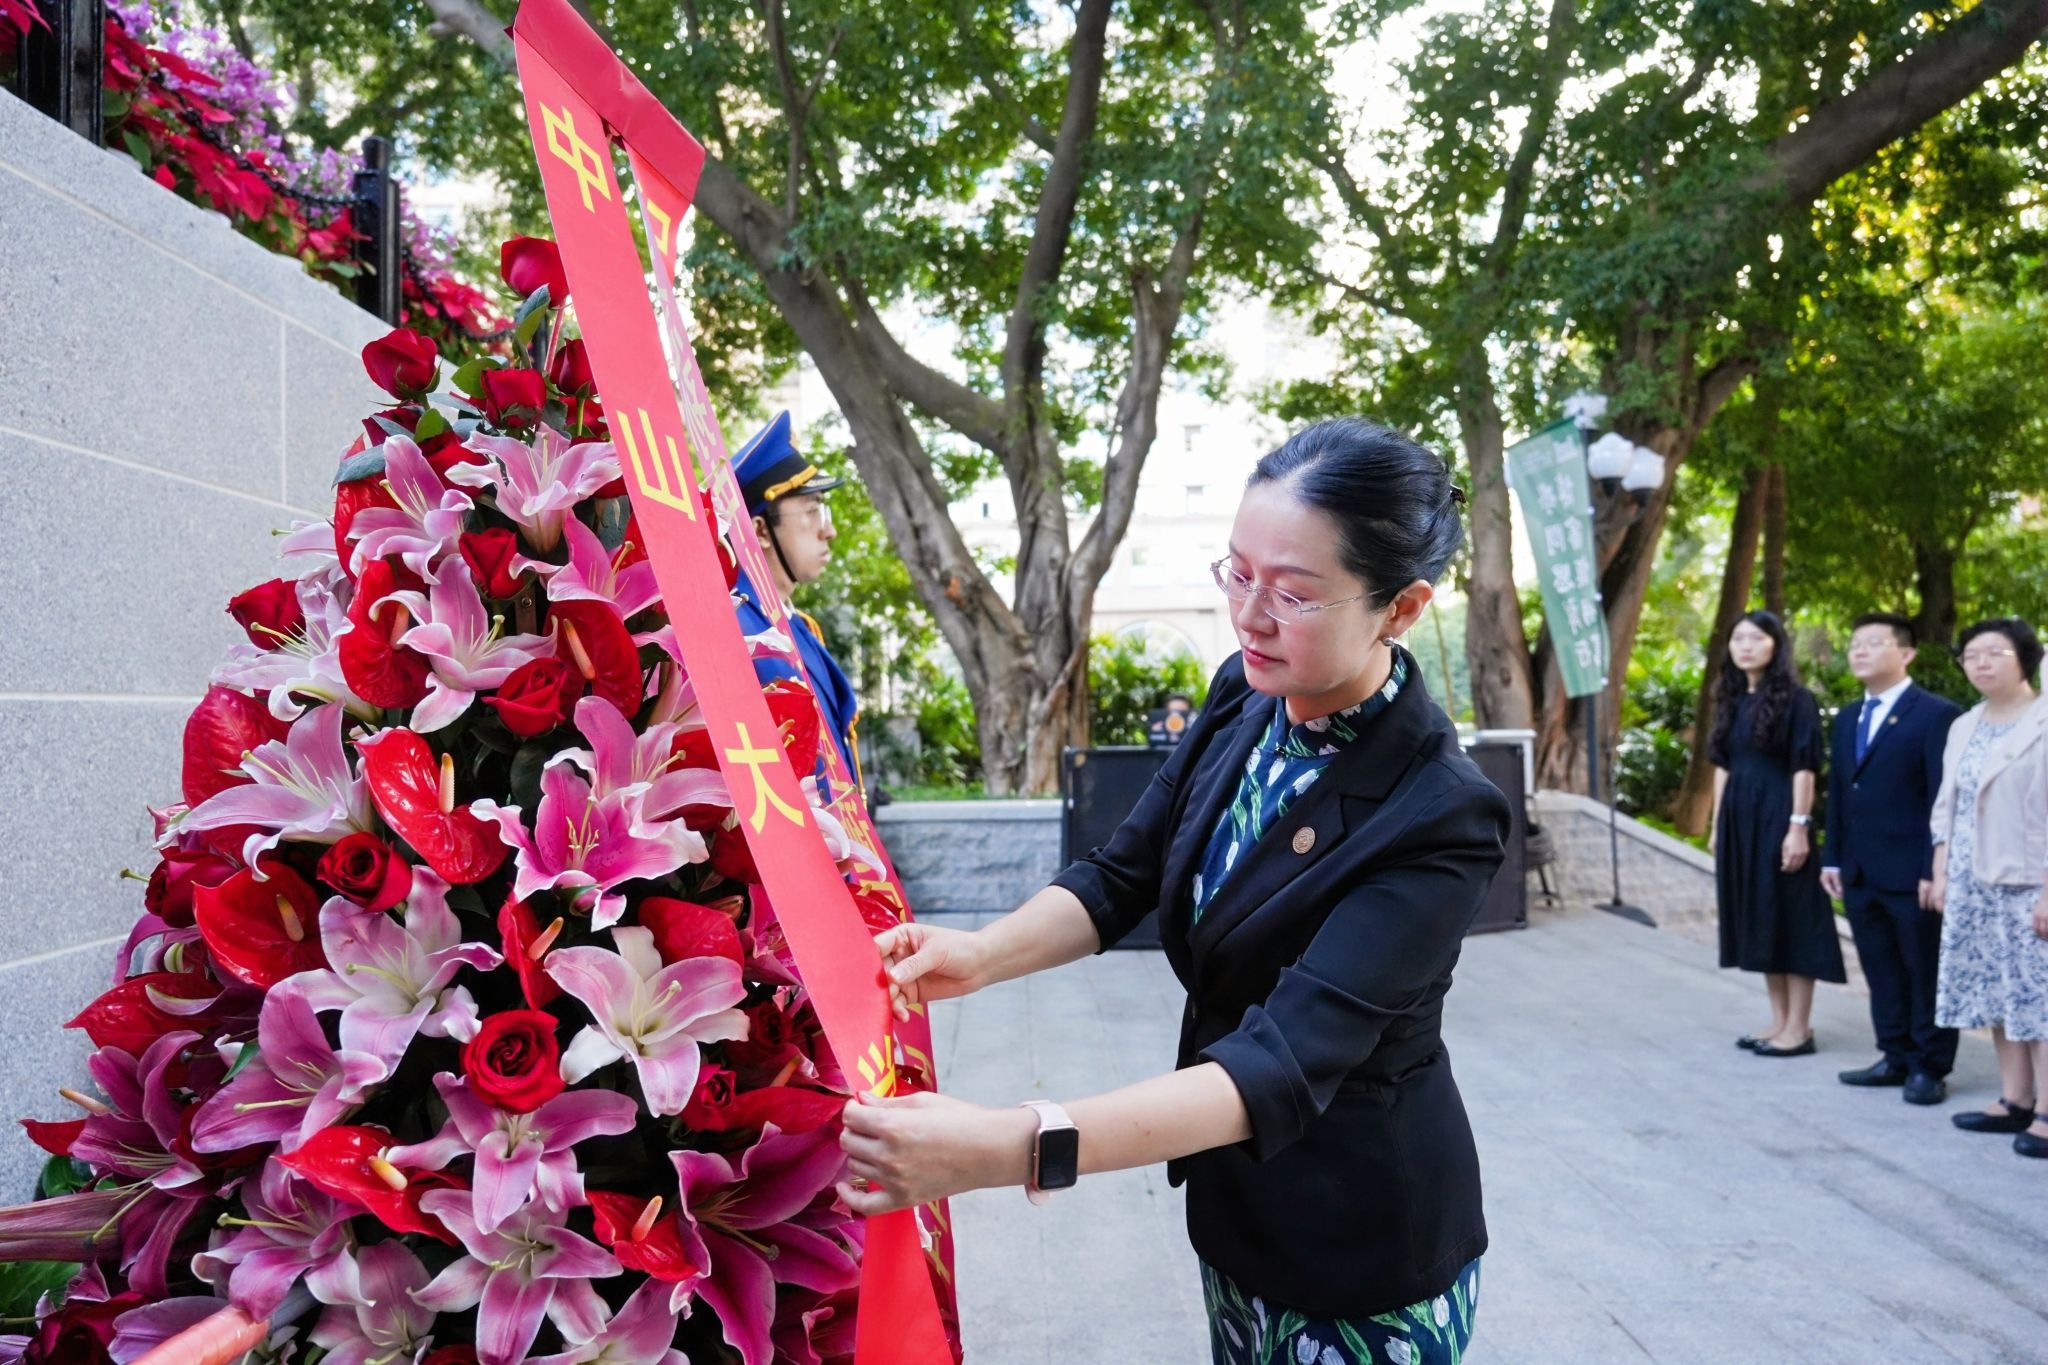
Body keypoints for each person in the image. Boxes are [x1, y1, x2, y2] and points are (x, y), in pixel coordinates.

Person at [835, 419, 1507, 1365]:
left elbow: (1279, 1061)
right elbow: (1125, 873)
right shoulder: (1247, 694)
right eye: (1238, 573)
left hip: (1362, 1242)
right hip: (1240, 1211)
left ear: (1400, 608)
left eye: (1293, 593)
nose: (1251, 616)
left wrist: (1007, 1144)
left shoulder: (1439, 811)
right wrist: (979, 954)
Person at [1821, 612, 1963, 1106]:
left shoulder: (1936, 714)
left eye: (1873, 642)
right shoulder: (1847, 717)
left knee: (1924, 971)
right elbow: (1841, 792)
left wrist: (1932, 868)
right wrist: (1832, 857)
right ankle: (1894, 1055)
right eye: (1854, 643)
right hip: (1860, 870)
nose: (1859, 651)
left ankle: (1929, 1066)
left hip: (1912, 871)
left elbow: (1942, 797)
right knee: (1880, 969)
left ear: (1907, 654)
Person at [1929, 618, 2048, 1158]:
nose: (1979, 663)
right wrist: (1941, 870)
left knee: (2037, 999)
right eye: (1970, 655)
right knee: (1995, 992)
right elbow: (1947, 806)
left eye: (1994, 652)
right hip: (1971, 881)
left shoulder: (2043, 719)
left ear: (2025, 658)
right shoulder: (1965, 724)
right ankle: (2015, 1098)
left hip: (2027, 881)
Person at [1708, 610, 1845, 1056]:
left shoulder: (1797, 700)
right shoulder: (1731, 699)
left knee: (1792, 918)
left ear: (1776, 645)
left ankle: (1799, 1029)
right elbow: (1723, 766)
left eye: (1756, 638)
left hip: (1779, 816)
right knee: (1762, 918)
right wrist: (1717, 825)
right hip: (1740, 821)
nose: (1745, 646)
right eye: (1738, 638)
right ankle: (1779, 1020)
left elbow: (1804, 767)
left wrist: (1798, 827)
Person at [729, 411, 863, 784]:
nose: (828, 530)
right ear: (761, 531)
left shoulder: (798, 625)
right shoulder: (736, 624)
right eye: (812, 511)